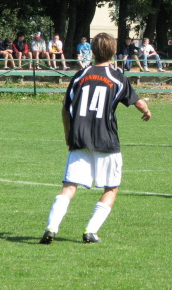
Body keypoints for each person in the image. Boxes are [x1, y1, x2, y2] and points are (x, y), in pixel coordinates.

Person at [40, 32, 152, 245]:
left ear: (92, 51)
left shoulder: (80, 76)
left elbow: (65, 110)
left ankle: (51, 226)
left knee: (69, 187)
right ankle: (90, 231)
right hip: (106, 140)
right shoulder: (117, 77)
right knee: (111, 189)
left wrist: (68, 134)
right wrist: (146, 111)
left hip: (79, 139)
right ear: (113, 52)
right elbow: (137, 102)